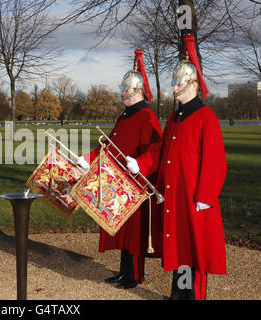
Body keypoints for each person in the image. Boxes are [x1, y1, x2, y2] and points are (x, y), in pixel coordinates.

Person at [78, 49, 162, 289]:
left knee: (134, 234)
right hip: (118, 182)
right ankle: (124, 271)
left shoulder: (146, 116)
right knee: (122, 230)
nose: (121, 93)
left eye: (125, 89)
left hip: (134, 184)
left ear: (136, 91)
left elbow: (156, 149)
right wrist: (89, 158)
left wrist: (141, 164)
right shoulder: (125, 116)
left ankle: (135, 275)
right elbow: (110, 146)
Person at [156, 34, 227, 300]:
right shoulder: (175, 117)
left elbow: (216, 162)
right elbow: (167, 156)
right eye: (174, 82)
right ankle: (178, 293)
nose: (174, 87)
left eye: (178, 82)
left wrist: (205, 197)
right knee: (178, 245)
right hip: (175, 195)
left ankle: (193, 296)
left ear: (193, 85)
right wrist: (161, 186)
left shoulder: (206, 118)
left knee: (193, 249)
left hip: (195, 198)